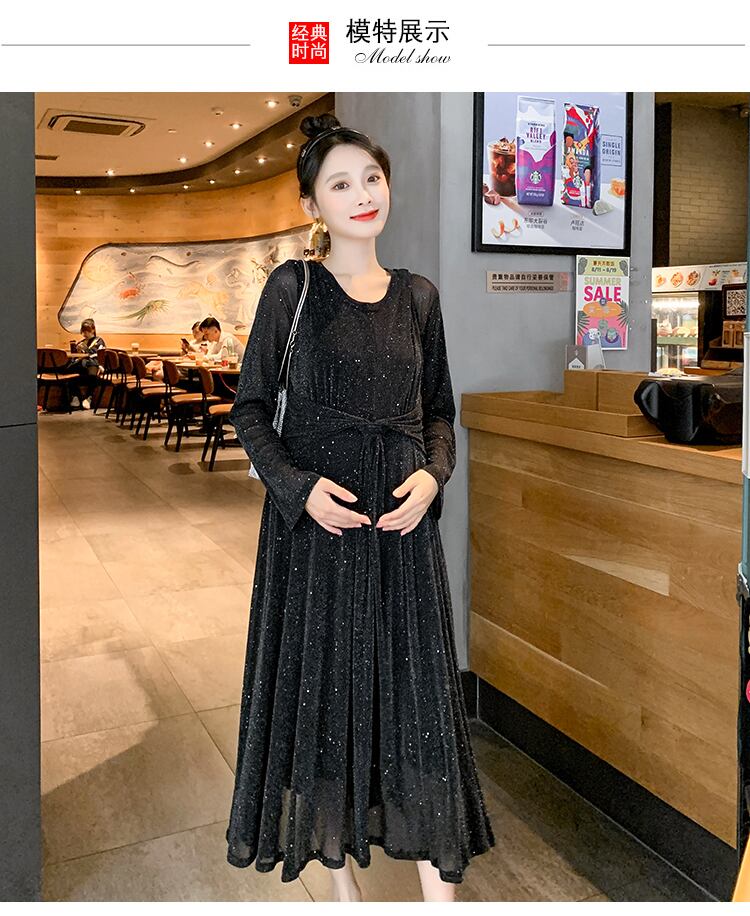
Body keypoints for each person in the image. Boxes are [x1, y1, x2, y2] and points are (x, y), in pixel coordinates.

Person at [224, 114, 495, 902]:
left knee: (416, 711)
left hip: (402, 537)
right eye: (340, 184)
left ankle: (438, 894)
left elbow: (439, 411)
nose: (362, 194)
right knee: (324, 705)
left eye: (371, 178)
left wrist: (434, 476)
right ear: (314, 205)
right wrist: (299, 488)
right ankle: (342, 891)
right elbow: (249, 409)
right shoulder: (294, 288)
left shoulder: (419, 296)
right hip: (317, 536)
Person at [68, 318, 106, 408]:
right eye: (83, 331)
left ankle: (88, 398)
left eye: (87, 331)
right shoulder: (81, 342)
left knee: (92, 374)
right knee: (69, 372)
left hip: (93, 364)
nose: (85, 333)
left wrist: (86, 349)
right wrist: (77, 351)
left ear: (93, 330)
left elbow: (98, 355)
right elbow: (75, 357)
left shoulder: (99, 341)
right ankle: (77, 397)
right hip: (82, 364)